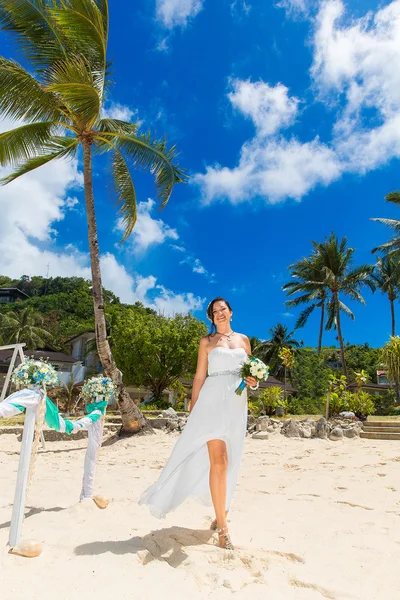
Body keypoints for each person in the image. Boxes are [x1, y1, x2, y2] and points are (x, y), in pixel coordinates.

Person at [139, 297, 258, 550]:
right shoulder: (206, 342)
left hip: (237, 405)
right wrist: (194, 408)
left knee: (231, 459)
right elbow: (199, 376)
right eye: (214, 312)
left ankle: (220, 512)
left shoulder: (244, 341)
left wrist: (254, 382)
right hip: (211, 403)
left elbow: (251, 373)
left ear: (231, 312)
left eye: (223, 309)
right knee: (219, 460)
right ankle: (224, 529)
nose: (219, 314)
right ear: (211, 318)